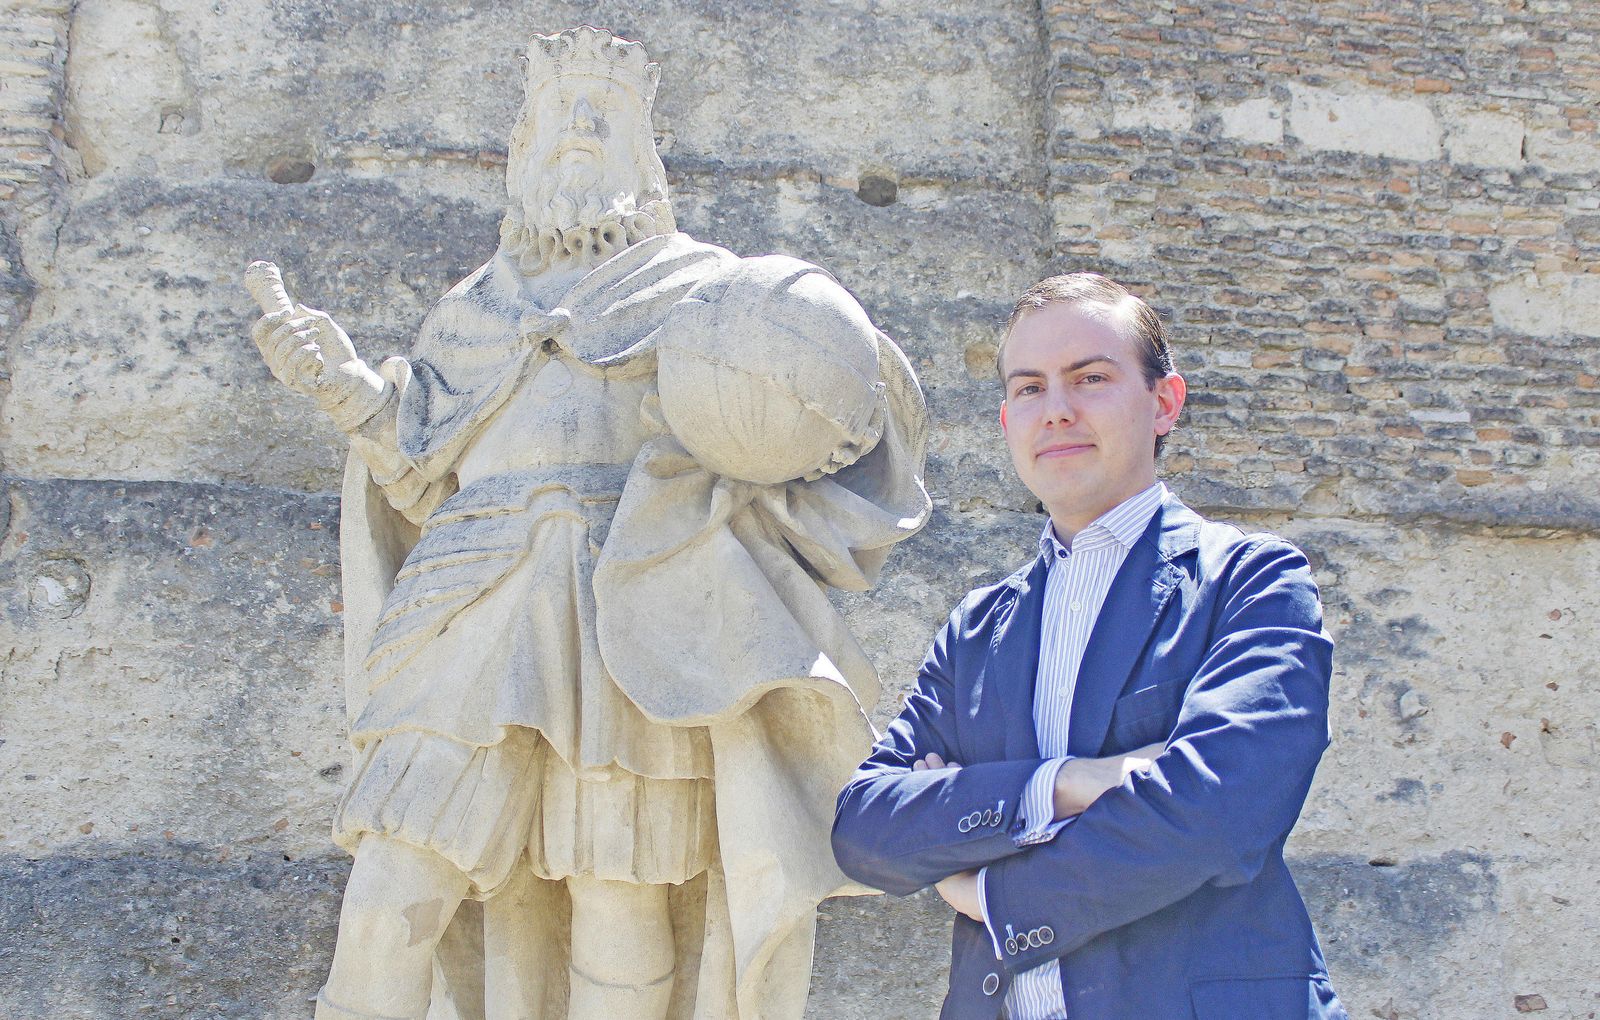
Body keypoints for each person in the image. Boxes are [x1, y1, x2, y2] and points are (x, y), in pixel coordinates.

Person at [249, 27, 929, 1020]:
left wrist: (831, 400)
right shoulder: (465, 310)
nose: (577, 130)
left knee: (621, 909)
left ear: (645, 155)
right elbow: (424, 479)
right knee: (389, 894)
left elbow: (816, 402)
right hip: (466, 608)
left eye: (601, 118)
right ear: (519, 149)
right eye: (558, 117)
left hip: (628, 624)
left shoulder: (712, 295)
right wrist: (349, 392)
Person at [831, 273, 1347, 1019]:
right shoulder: (977, 630)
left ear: (1164, 402)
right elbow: (867, 828)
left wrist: (984, 890)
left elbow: (1213, 814)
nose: (1058, 410)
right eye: (1030, 388)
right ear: (1007, 419)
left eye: (1091, 378)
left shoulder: (1252, 583)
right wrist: (1069, 784)